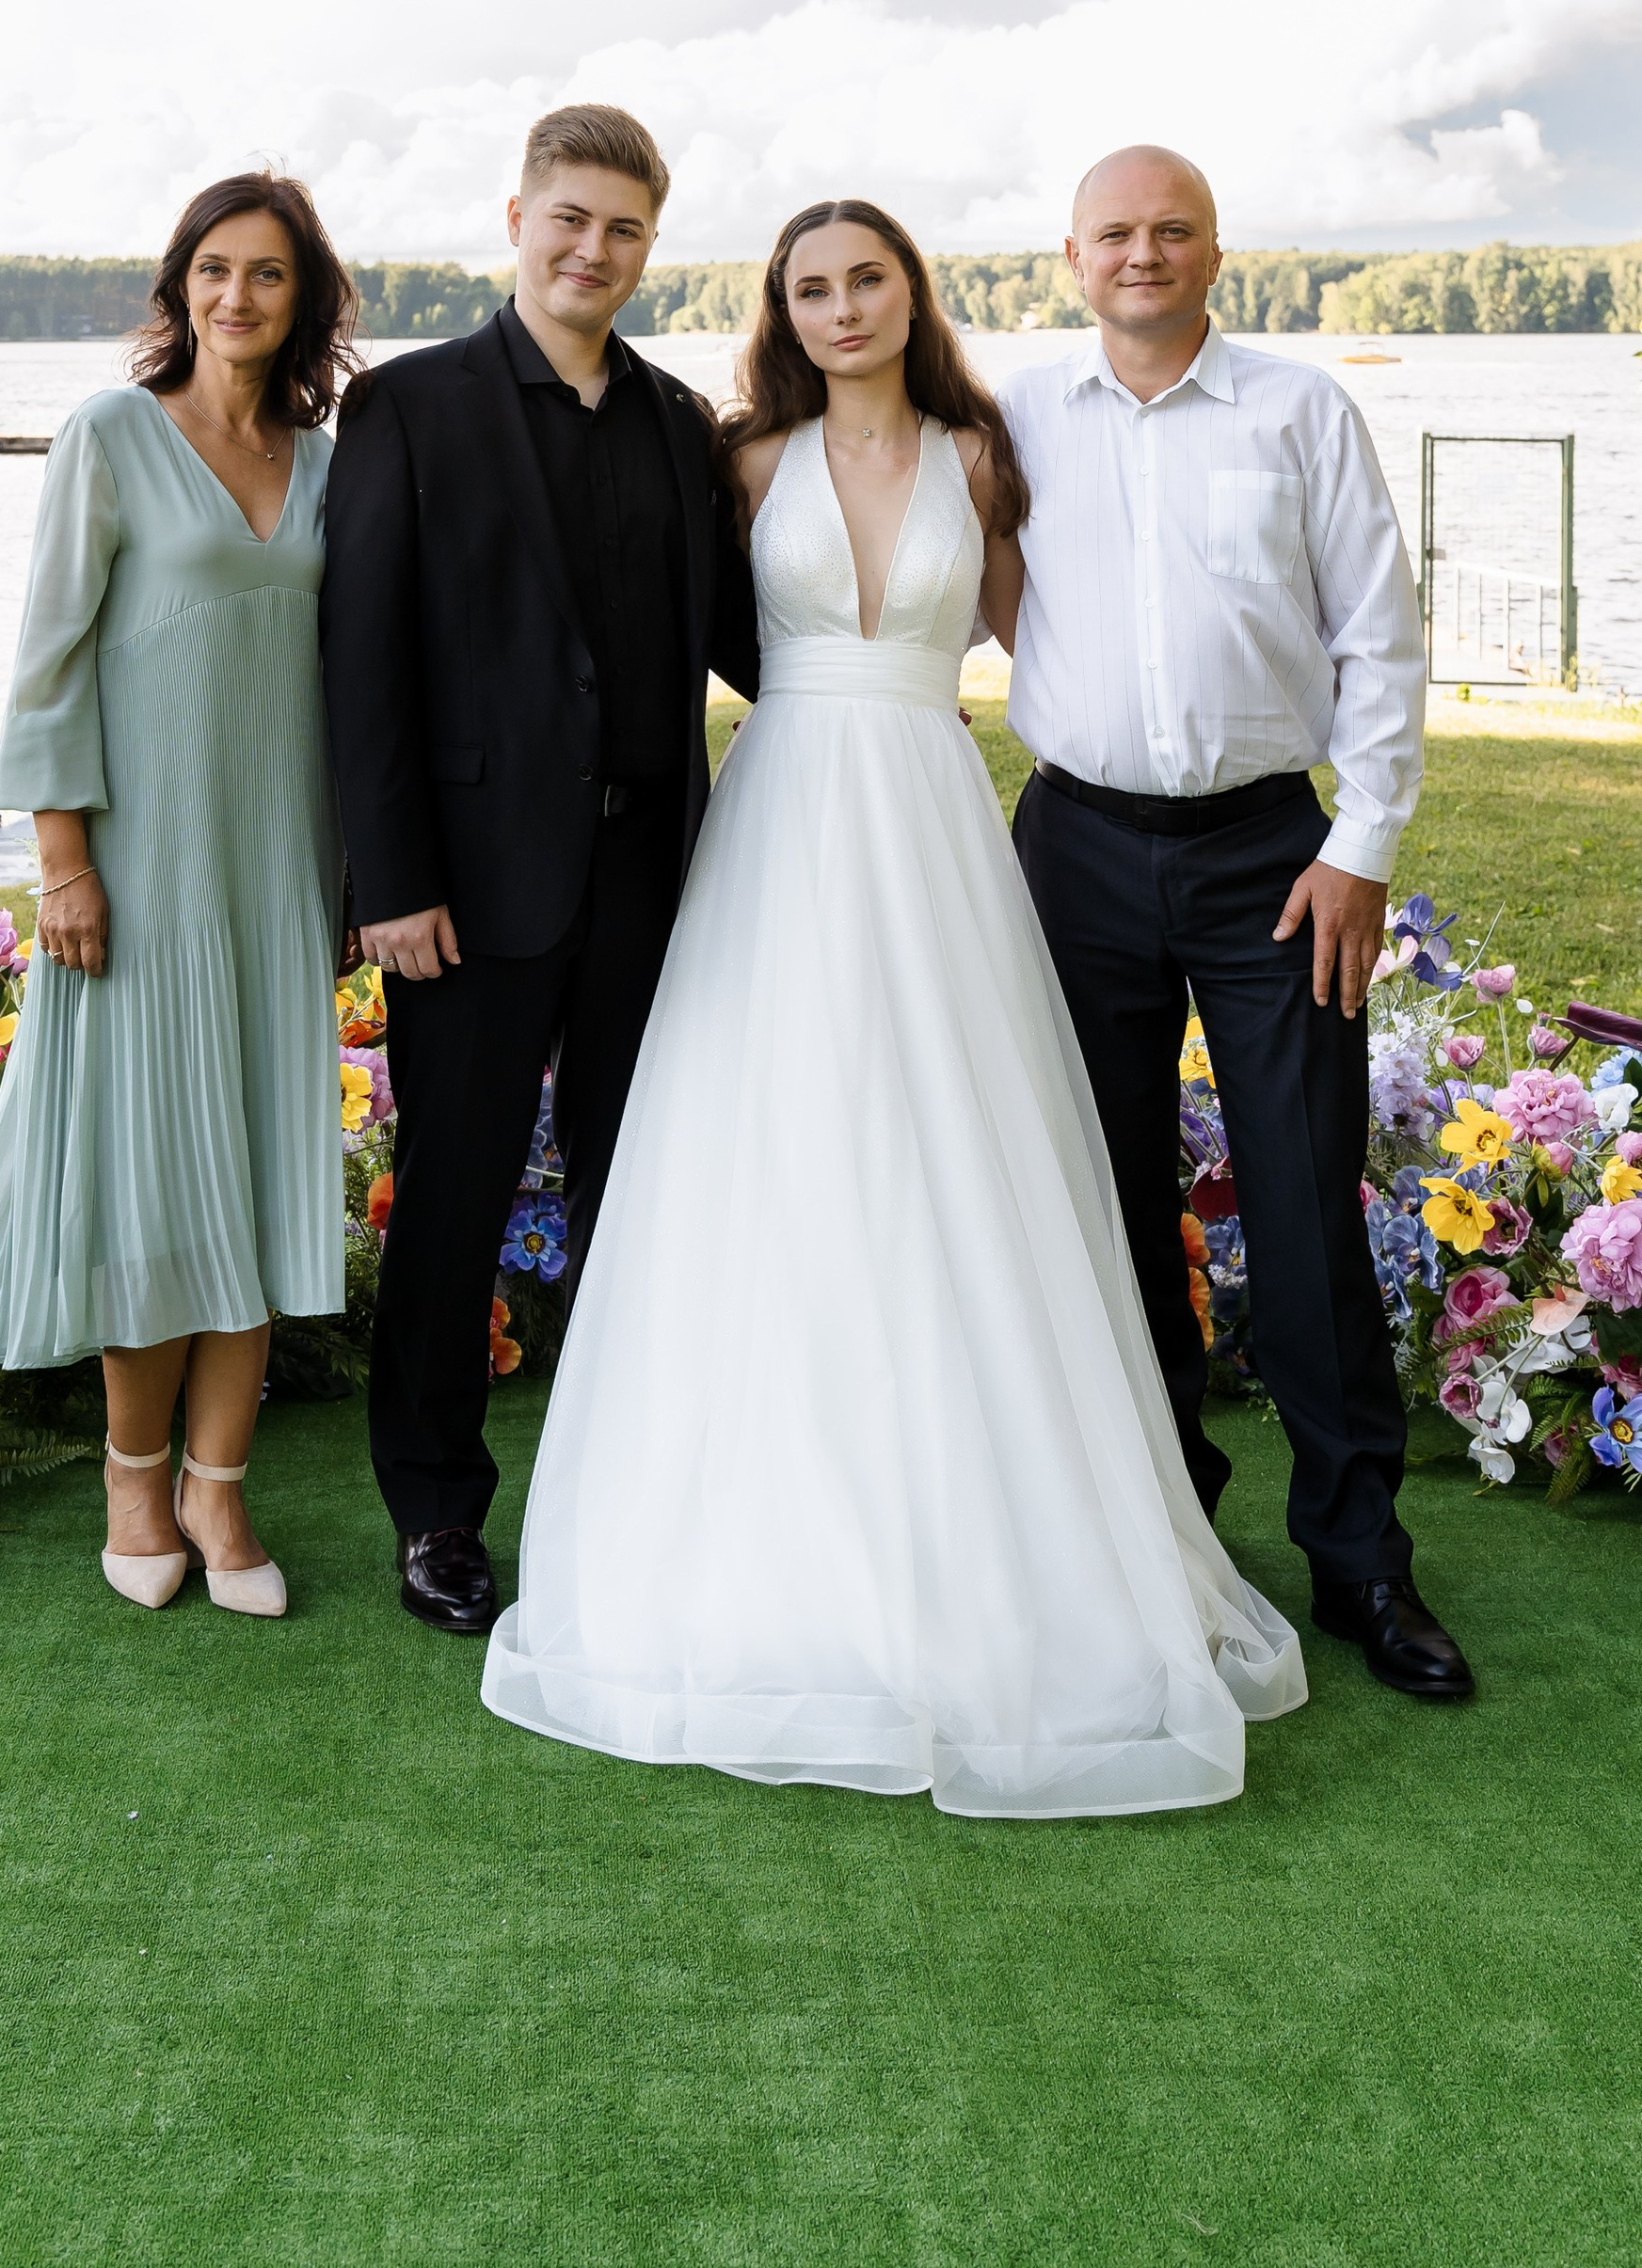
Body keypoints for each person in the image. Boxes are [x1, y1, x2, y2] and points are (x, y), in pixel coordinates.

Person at [480, 198, 1305, 1817]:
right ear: (781, 313)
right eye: (811, 287)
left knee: (956, 1150)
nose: (843, 306)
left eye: (868, 280)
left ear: (910, 295)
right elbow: (671, 638)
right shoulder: (740, 464)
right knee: (772, 1143)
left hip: (930, 815)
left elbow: (1063, 633)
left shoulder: (987, 455)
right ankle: (761, 1539)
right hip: (783, 816)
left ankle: (1015, 1540)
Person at [1004, 144, 1470, 1703]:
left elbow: (1382, 644)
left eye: (1173, 232)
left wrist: (1362, 846)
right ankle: (1162, 1532)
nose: (1144, 255)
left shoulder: (1298, 411)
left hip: (1275, 859)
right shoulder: (1016, 422)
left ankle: (1360, 1564)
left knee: (1303, 1198)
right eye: (1116, 234)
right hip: (1073, 847)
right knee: (1112, 1203)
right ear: (1072, 257)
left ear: (1217, 253)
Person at [320, 103, 760, 1637]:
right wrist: (392, 880)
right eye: (569, 218)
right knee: (453, 1200)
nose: (595, 251)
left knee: (638, 1193)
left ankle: (621, 1487)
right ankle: (437, 1507)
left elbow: (753, 644)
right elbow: (361, 665)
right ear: (517, 220)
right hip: (467, 894)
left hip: (654, 889)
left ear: (652, 245)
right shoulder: (409, 412)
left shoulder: (678, 424)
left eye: (625, 229)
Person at [0, 170, 357, 1619]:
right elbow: (50, 662)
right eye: (215, 269)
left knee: (255, 1165)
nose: (239, 295)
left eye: (270, 275)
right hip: (140, 868)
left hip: (282, 865)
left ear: (305, 300)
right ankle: (133, 1471)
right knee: (151, 1173)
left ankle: (219, 1490)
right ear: (179, 289)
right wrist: (62, 863)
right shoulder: (112, 436)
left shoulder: (332, 460)